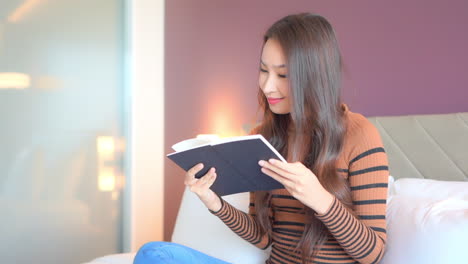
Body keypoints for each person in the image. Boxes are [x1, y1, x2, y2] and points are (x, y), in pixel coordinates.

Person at [134, 12, 389, 264]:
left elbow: (373, 254)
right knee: (155, 254)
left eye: (282, 75)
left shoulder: (360, 135)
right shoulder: (262, 136)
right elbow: (264, 237)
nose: (267, 86)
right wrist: (214, 202)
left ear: (314, 75)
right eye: (263, 70)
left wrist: (320, 199)